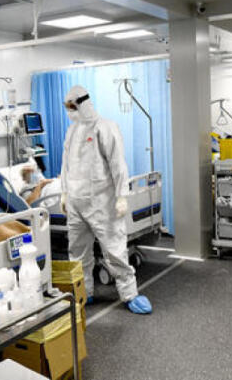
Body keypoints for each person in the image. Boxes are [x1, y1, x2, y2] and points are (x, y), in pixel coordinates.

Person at [60, 85, 152, 315]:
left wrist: (121, 196)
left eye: (72, 106)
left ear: (83, 103)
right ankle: (83, 292)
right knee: (77, 252)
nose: (69, 111)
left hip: (102, 202)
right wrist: (64, 193)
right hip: (76, 202)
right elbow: (66, 165)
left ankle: (130, 293)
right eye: (67, 106)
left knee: (114, 250)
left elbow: (118, 164)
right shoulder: (71, 131)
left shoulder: (105, 127)